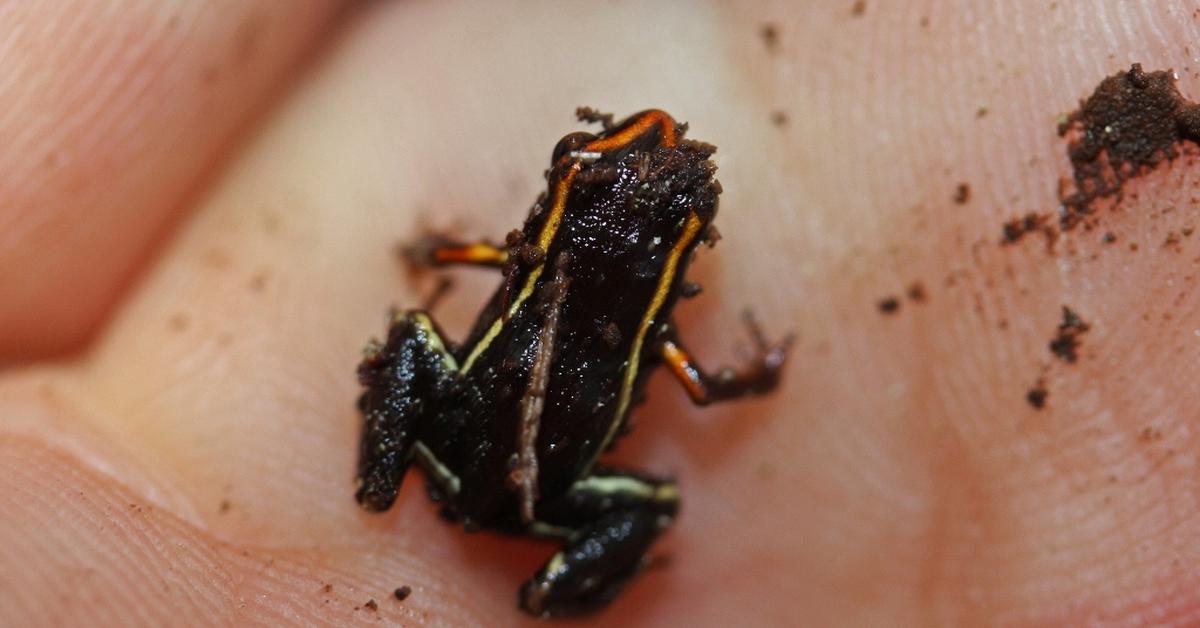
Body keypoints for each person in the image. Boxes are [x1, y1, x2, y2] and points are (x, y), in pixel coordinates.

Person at [1, 2, 1192, 624]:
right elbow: (719, 393)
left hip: (465, 461)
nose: (659, 139)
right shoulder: (656, 337)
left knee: (418, 339)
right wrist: (761, 371)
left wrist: (425, 252)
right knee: (658, 493)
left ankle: (393, 484)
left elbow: (461, 258)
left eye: (681, 189)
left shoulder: (528, 259)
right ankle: (543, 583)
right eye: (604, 161)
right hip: (531, 493)